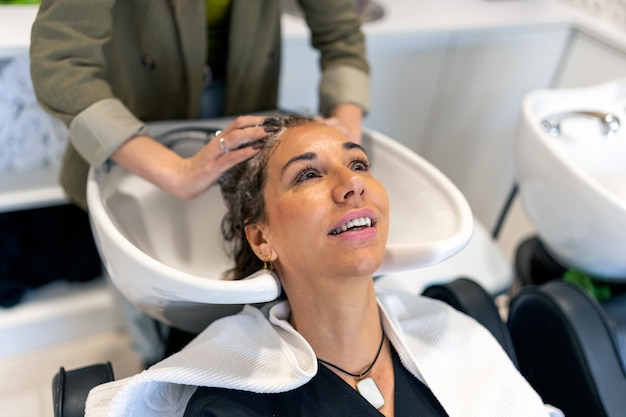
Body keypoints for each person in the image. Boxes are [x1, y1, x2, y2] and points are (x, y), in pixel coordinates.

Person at [84, 115, 560, 417]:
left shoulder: (456, 340)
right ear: (262, 237)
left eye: (358, 164)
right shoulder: (231, 406)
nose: (352, 184)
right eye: (308, 174)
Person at [29, 0, 369, 364]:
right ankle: (151, 359)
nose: (353, 184)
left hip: (248, 100)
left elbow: (341, 34)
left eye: (359, 165)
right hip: (134, 130)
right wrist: (176, 172)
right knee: (149, 285)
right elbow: (60, 62)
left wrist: (343, 135)